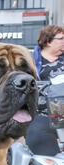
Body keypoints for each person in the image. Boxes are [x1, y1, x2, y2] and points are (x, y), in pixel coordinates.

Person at [27, 25, 64, 156]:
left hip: (61, 110)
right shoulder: (31, 62)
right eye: (61, 38)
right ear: (48, 42)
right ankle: (53, 164)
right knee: (37, 133)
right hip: (44, 113)